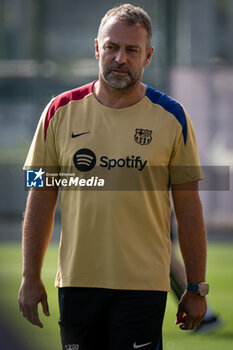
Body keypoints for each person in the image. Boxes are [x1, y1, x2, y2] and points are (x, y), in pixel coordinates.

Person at [18, 4, 209, 350]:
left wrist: (195, 288)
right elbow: (40, 194)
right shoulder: (59, 112)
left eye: (132, 50)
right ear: (97, 48)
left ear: (148, 56)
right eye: (111, 47)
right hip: (77, 284)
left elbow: (189, 206)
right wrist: (30, 276)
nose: (120, 58)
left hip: (143, 287)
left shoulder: (172, 117)